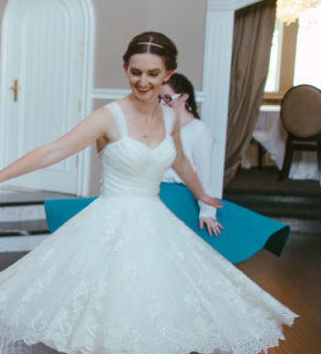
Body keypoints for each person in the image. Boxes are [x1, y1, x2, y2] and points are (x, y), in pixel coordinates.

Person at [0, 32, 297, 354]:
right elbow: (55, 149)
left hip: (155, 233)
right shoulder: (109, 116)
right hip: (111, 232)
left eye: (153, 74)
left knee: (142, 349)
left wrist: (201, 194)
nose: (143, 81)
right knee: (109, 348)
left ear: (168, 74)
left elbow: (180, 162)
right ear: (126, 68)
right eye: (136, 72)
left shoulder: (171, 117)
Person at [43, 72, 291, 263]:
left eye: (167, 98)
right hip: (149, 188)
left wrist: (207, 211)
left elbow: (204, 175)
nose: (162, 102)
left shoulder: (199, 131)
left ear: (184, 98)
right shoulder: (158, 125)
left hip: (177, 193)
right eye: (159, 98)